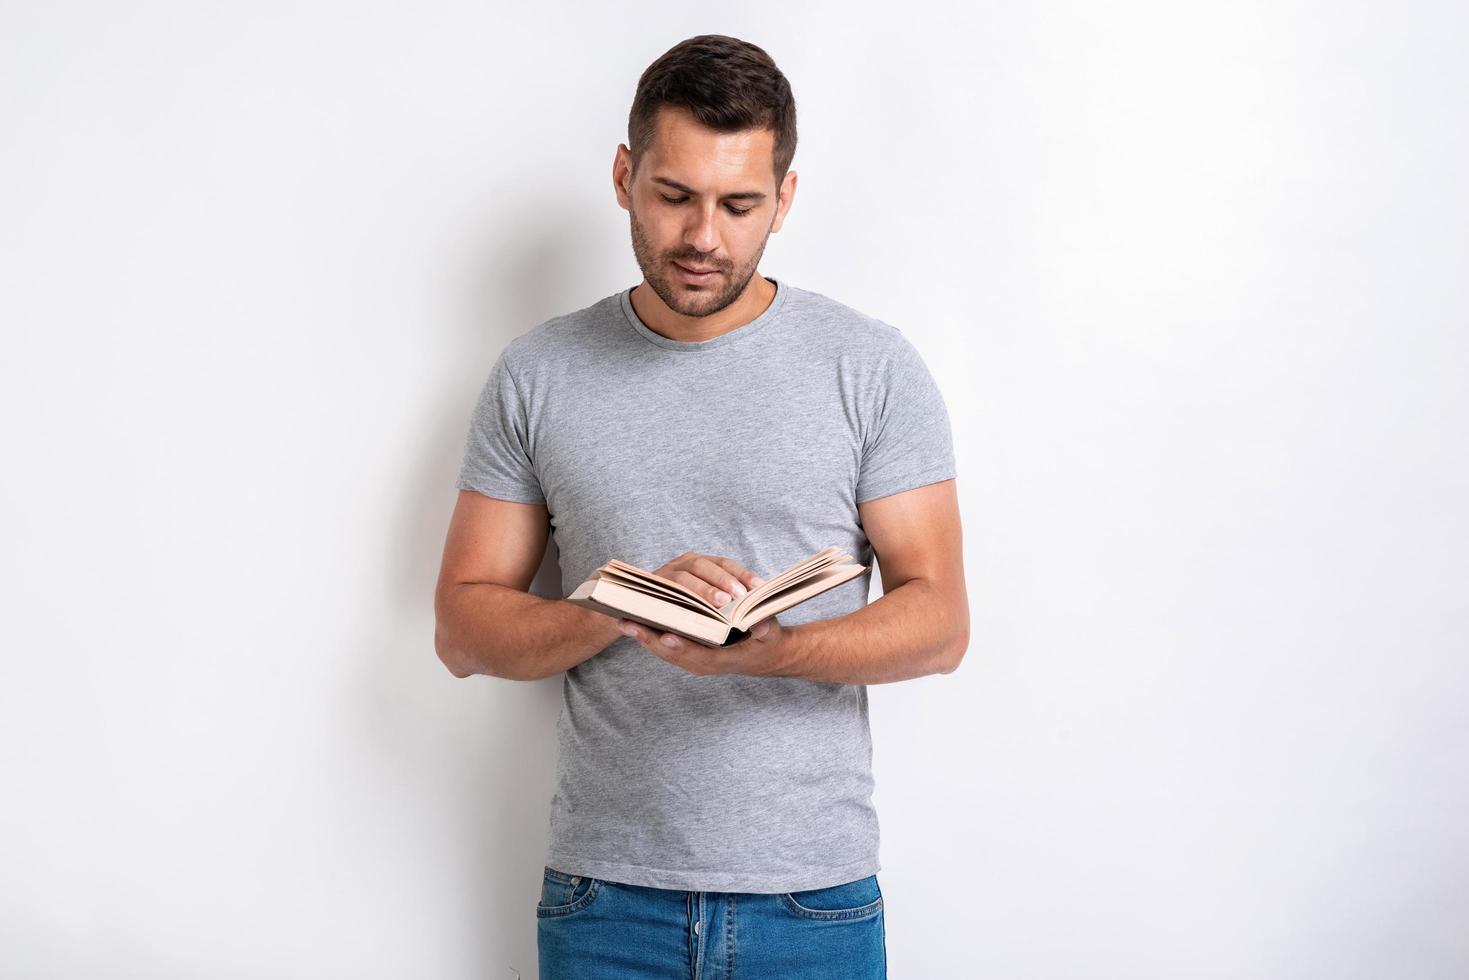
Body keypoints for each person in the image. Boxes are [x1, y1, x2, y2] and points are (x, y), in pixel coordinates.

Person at [434, 33, 968, 980]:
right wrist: (609, 607)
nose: (702, 237)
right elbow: (464, 629)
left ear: (785, 199)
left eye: (739, 204)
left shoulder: (868, 367)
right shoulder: (538, 373)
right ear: (624, 174)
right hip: (605, 899)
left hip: (810, 899)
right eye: (674, 196)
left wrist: (777, 648)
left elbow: (939, 624)